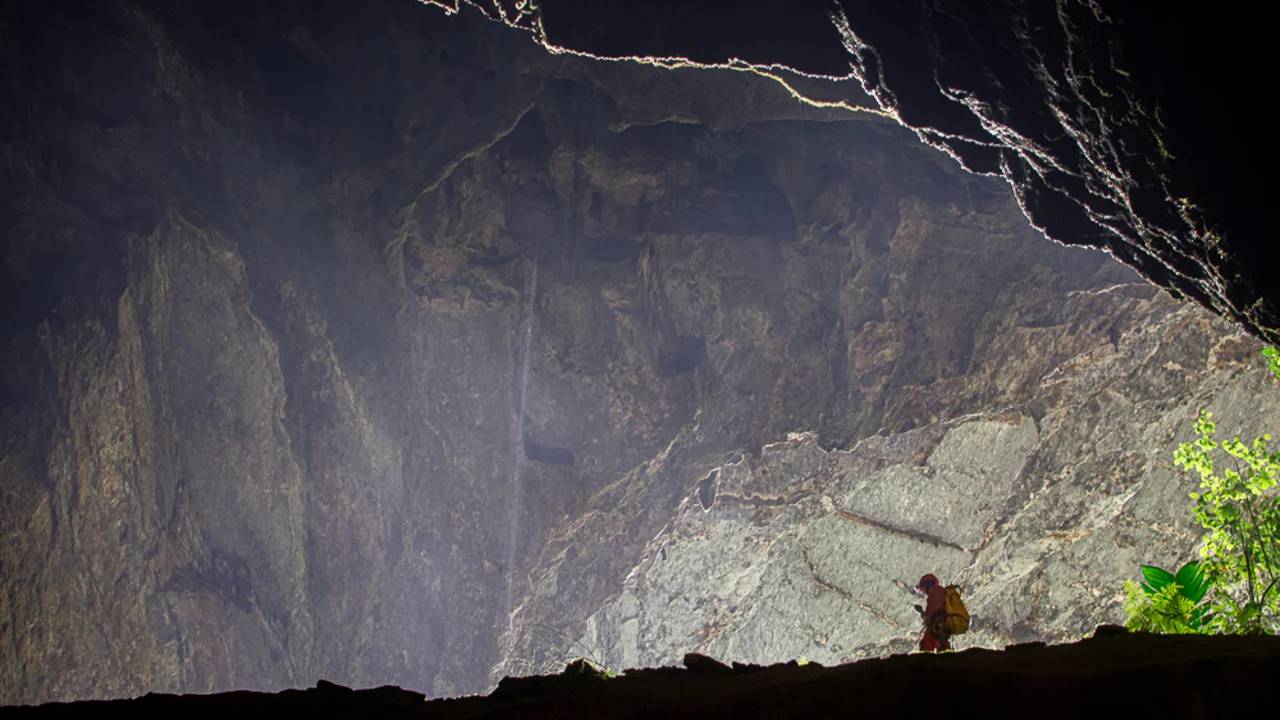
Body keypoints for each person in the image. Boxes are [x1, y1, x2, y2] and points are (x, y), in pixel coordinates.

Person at [914, 573, 951, 652]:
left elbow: (932, 612)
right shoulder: (941, 591)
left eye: (923, 589)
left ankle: (926, 662)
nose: (924, 592)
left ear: (926, 585)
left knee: (927, 644)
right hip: (943, 623)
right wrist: (921, 612)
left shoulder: (935, 591)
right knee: (943, 644)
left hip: (937, 623)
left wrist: (923, 613)